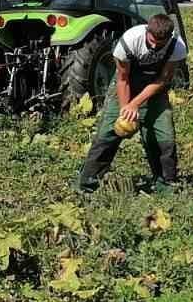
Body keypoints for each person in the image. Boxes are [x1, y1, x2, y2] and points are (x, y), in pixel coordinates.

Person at [77, 12, 185, 193]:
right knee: (107, 135)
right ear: (146, 32)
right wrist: (125, 108)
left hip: (155, 90)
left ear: (168, 38)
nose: (153, 47)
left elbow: (163, 80)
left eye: (159, 45)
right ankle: (87, 184)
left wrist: (136, 104)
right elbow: (123, 79)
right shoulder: (129, 41)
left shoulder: (176, 46)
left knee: (164, 137)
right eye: (150, 42)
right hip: (125, 85)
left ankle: (165, 184)